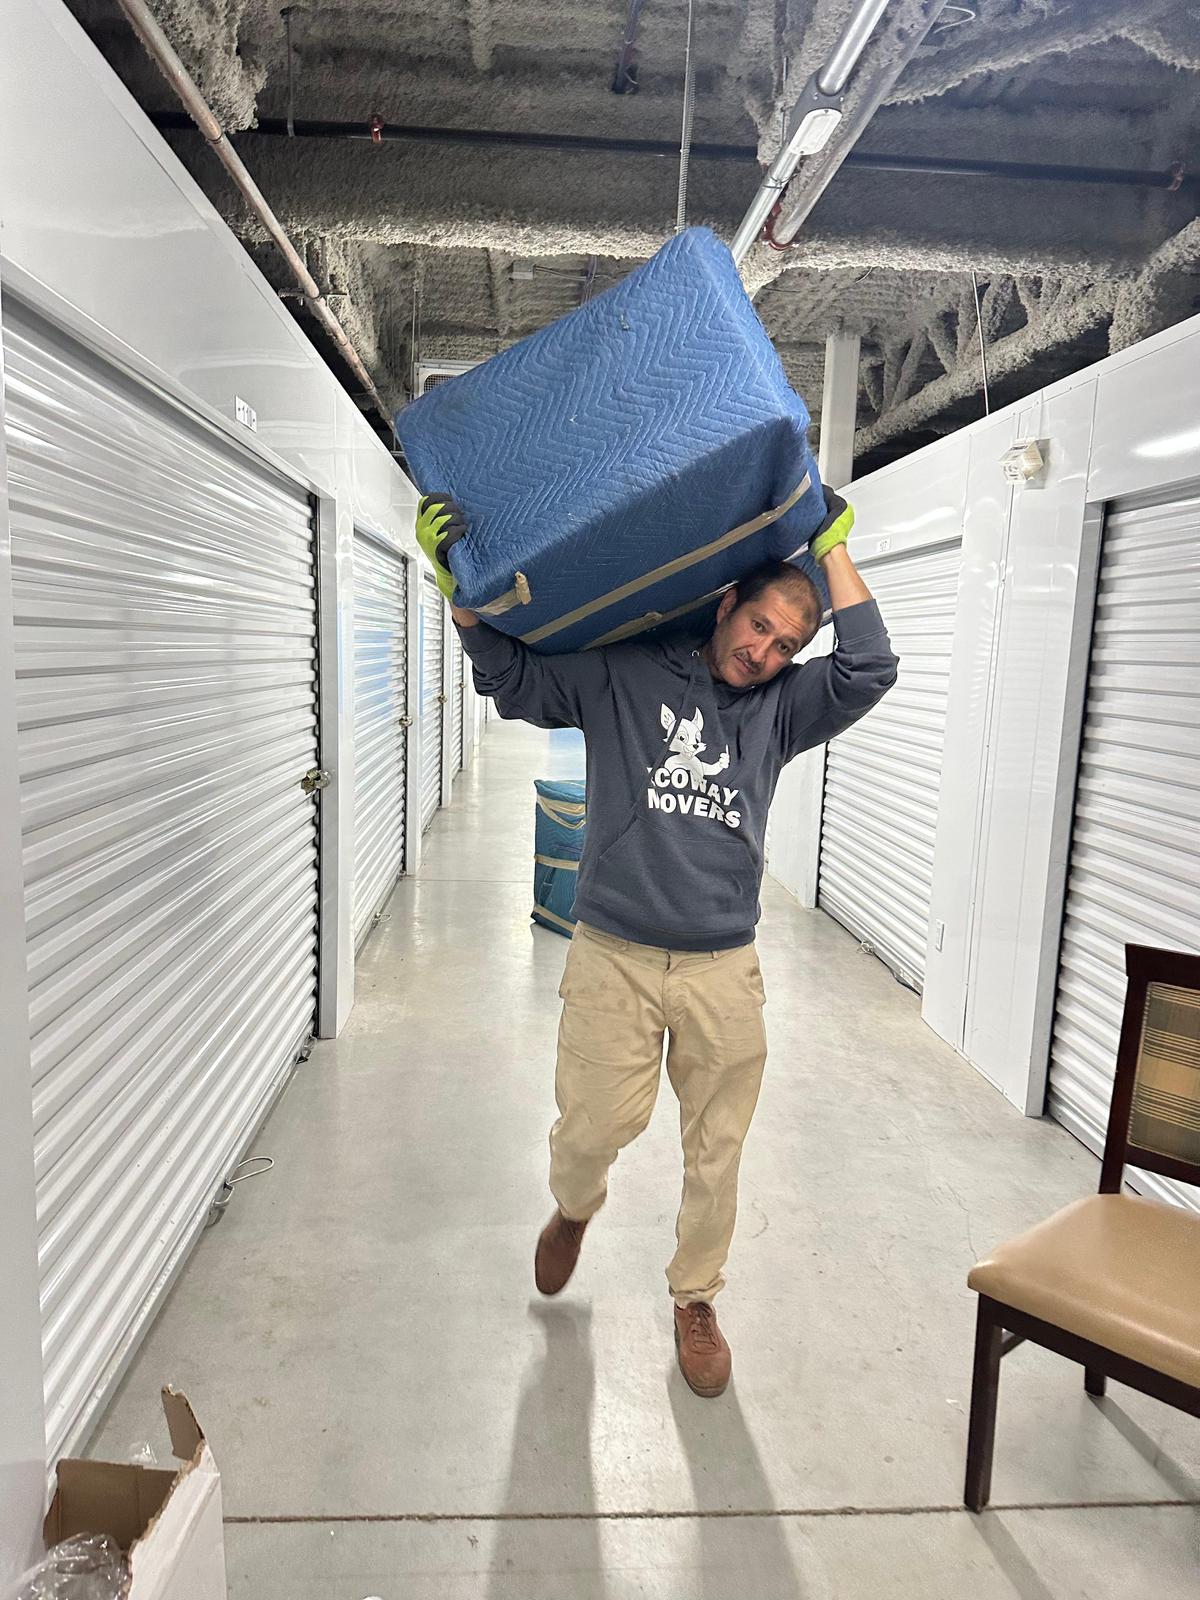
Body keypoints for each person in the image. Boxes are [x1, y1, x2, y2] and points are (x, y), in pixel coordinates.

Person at [416, 491, 898, 1397]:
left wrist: (831, 552)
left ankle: (695, 1298)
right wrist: (466, 603)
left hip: (723, 963)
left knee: (718, 1149)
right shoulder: (625, 673)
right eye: (758, 627)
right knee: (593, 1128)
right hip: (616, 955)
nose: (764, 655)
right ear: (726, 606)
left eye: (786, 646)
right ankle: (573, 1206)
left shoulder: (786, 708)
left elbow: (870, 667)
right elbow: (517, 683)